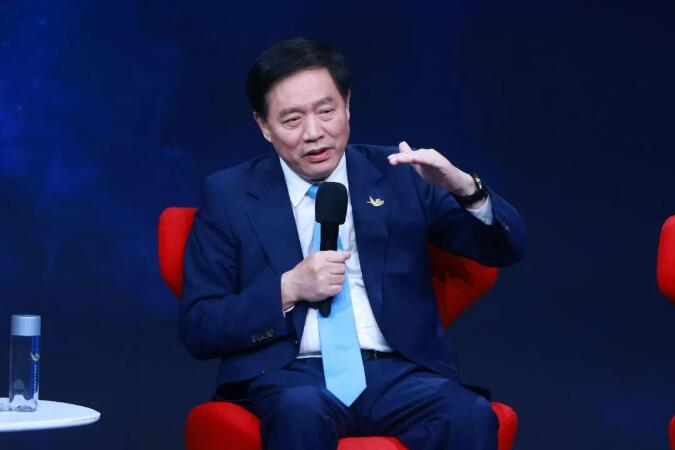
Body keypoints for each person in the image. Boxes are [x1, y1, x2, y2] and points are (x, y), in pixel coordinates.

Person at [179, 37, 526, 450]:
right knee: (301, 412)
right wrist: (288, 289)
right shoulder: (229, 195)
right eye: (292, 120)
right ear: (264, 125)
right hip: (292, 377)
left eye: (326, 111)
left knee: (469, 415)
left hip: (399, 373)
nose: (314, 133)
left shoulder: (399, 175)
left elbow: (504, 249)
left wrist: (465, 188)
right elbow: (200, 326)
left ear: (346, 104)